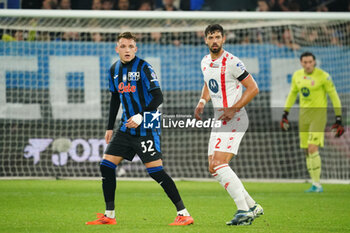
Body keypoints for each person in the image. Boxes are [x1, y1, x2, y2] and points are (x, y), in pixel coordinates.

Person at [86, 32, 194, 226]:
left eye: (130, 46)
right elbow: (115, 99)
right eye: (123, 46)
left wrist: (141, 115)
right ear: (117, 48)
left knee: (156, 171)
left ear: (136, 49)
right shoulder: (114, 70)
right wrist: (109, 127)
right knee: (106, 165)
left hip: (147, 127)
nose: (127, 50)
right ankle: (109, 215)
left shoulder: (144, 67)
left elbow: (158, 97)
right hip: (126, 128)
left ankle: (184, 214)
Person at [194, 24, 263, 226]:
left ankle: (243, 210)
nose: (214, 40)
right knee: (213, 167)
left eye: (218, 37)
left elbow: (253, 88)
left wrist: (233, 108)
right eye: (211, 37)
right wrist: (202, 101)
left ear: (223, 39)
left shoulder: (233, 62)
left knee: (219, 164)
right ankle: (252, 206)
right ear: (205, 40)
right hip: (219, 119)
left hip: (235, 117)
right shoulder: (205, 61)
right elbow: (209, 82)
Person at [281, 52, 344, 193]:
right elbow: (292, 94)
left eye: (310, 62)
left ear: (314, 62)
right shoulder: (297, 75)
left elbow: (334, 96)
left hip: (318, 115)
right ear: (301, 63)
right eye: (305, 62)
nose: (308, 65)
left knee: (312, 148)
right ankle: (314, 184)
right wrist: (285, 113)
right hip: (304, 116)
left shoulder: (324, 76)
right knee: (306, 151)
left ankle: (317, 184)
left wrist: (339, 118)